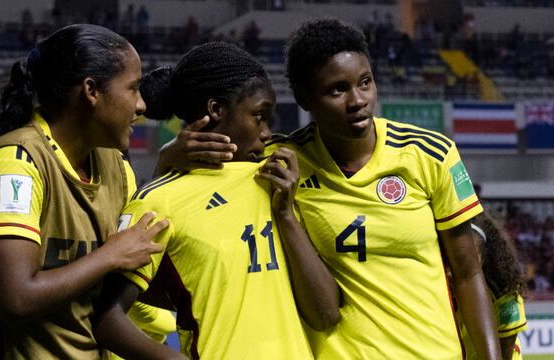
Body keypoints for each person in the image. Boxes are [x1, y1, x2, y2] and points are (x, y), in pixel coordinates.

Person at [265, 19, 501, 358]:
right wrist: (171, 158)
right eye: (337, 89)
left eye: (365, 82)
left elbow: (467, 273)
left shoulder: (430, 155)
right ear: (304, 98)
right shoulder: (285, 161)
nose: (357, 100)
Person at [0, 24, 184, 359]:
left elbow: (131, 252)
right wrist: (109, 256)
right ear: (91, 90)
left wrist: (167, 171)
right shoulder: (16, 163)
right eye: (132, 89)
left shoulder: (115, 164)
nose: (142, 105)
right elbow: (16, 298)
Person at [121, 41, 340, 359]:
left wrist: (287, 213)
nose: (267, 133)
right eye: (259, 116)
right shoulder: (161, 199)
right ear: (216, 110)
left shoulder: (278, 179)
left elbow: (326, 315)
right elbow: (107, 315)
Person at [461, 213, 527, 360]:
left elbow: (505, 353)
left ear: (484, 257)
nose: (463, 263)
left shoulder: (503, 289)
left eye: (472, 257)